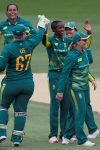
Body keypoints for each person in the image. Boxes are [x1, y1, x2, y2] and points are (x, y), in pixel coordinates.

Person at [0, 15, 50, 147]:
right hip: (27, 84)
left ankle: (1, 132)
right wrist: (42, 23)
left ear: (13, 34)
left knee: (3, 106)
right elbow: (39, 34)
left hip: (11, 83)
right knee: (21, 111)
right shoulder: (30, 43)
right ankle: (16, 139)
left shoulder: (8, 48)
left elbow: (0, 67)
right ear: (24, 34)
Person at [61, 21, 99, 144]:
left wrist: (92, 79)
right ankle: (81, 140)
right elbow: (64, 74)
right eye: (83, 40)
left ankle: (66, 136)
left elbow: (85, 69)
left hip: (83, 87)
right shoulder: (71, 56)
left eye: (86, 40)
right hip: (75, 88)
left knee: (76, 112)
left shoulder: (85, 53)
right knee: (80, 112)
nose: (86, 41)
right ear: (77, 42)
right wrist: (60, 91)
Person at [42, 20, 72, 143]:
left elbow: (84, 44)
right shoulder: (51, 41)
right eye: (59, 28)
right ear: (54, 30)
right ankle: (52, 134)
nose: (62, 29)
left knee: (65, 105)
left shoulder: (68, 41)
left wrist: (89, 33)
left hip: (66, 76)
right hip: (55, 74)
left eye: (63, 27)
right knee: (55, 105)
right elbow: (44, 41)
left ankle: (64, 134)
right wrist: (44, 29)